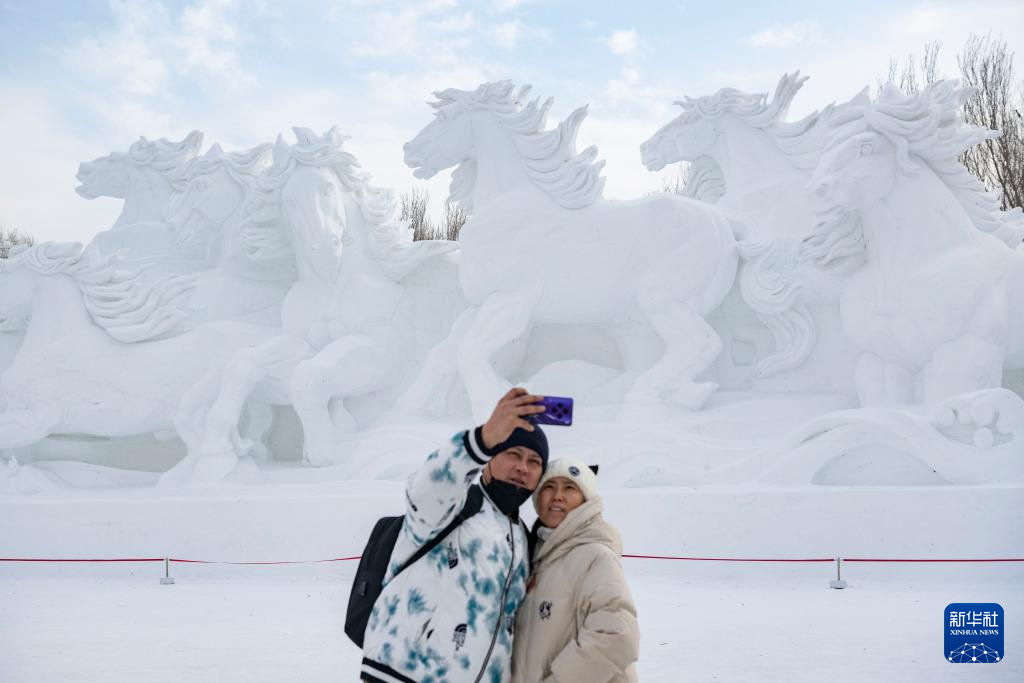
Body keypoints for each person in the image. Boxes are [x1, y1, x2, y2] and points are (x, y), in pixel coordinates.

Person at [361, 388, 549, 683]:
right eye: (513, 454)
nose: (522, 467)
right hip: (401, 675)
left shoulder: (522, 538)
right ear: (489, 459)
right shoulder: (454, 507)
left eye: (534, 462)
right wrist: (482, 439)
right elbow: (428, 486)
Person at [511, 458, 640, 683]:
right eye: (549, 487)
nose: (557, 495)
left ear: (586, 501)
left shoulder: (594, 556)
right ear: (537, 498)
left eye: (570, 487)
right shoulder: (537, 557)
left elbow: (618, 636)